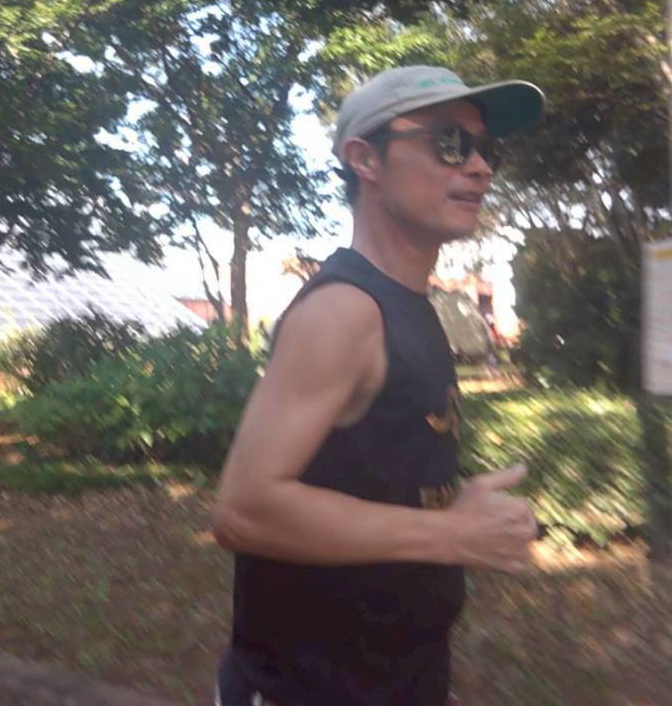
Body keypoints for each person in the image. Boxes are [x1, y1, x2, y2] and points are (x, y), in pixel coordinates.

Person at [212, 65, 545, 706]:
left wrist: (446, 503)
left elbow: (359, 479)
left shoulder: (411, 305)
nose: (480, 168)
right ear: (365, 159)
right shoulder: (344, 311)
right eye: (451, 143)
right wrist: (452, 535)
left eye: (487, 150)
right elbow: (243, 510)